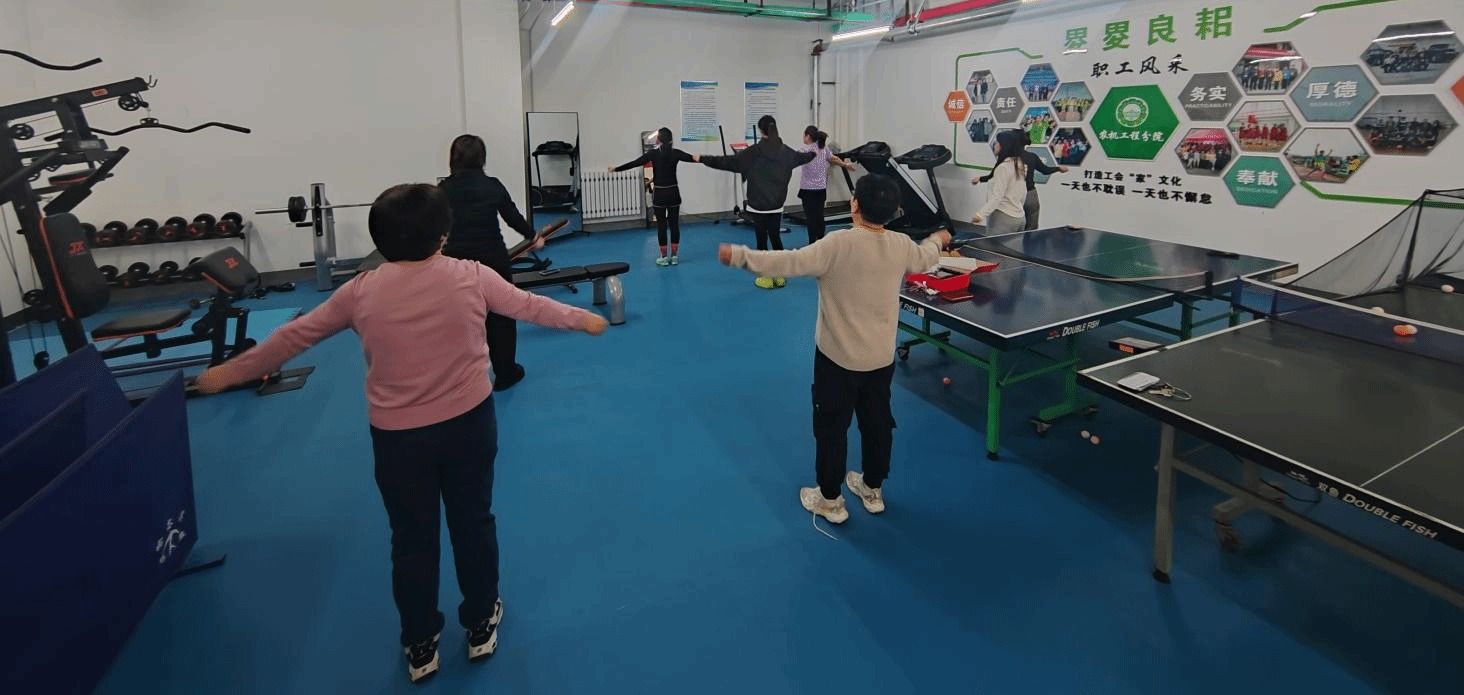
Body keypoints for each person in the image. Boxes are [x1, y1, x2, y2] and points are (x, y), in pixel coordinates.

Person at [195, 184, 608, 684]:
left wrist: (229, 373)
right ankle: (481, 622)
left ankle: (420, 641)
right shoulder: (471, 275)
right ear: (443, 235)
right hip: (468, 426)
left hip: (398, 440)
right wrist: (582, 319)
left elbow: (294, 337)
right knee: (473, 523)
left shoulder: (359, 291)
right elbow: (528, 305)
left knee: (411, 537)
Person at [716, 174, 951, 523]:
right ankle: (872, 489)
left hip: (837, 361)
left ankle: (830, 500)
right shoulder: (901, 244)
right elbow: (925, 257)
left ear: (855, 205)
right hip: (880, 360)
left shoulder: (837, 244)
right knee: (877, 424)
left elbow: (789, 262)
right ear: (893, 211)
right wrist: (937, 238)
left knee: (831, 428)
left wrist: (739, 256)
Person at [438, 134, 539, 391]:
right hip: (493, 259)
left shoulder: (442, 190)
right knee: (502, 314)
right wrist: (533, 236)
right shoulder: (492, 185)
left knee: (460, 316)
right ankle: (506, 372)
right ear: (481, 158)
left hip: (456, 263)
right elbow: (512, 217)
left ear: (453, 159)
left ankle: (462, 377)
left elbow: (433, 226)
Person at [695, 115, 814, 289]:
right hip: (776, 206)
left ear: (761, 131)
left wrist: (702, 158)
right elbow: (804, 157)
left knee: (761, 241)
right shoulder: (787, 152)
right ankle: (780, 276)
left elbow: (726, 162)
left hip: (758, 206)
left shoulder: (752, 153)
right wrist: (814, 152)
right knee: (776, 238)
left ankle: (765, 278)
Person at [611, 127, 693, 267]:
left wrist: (616, 168)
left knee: (661, 225)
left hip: (660, 194)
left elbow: (635, 163)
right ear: (671, 140)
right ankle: (674, 257)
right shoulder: (676, 153)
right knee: (674, 225)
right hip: (673, 193)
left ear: (659, 139)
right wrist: (710, 159)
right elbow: (694, 158)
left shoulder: (653, 154)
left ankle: (663, 257)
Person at [975, 131, 1063, 231]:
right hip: (1030, 197)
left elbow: (996, 192)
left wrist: (980, 214)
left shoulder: (1006, 163)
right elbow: (1045, 170)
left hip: (1010, 204)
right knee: (1030, 230)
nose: (995, 145)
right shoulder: (1028, 158)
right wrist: (1058, 169)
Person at [796, 125, 857, 246]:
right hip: (820, 190)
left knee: (811, 217)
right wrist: (845, 165)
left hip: (808, 190)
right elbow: (833, 158)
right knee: (819, 215)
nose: (803, 137)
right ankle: (821, 241)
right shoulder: (823, 149)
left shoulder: (804, 150)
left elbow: (791, 159)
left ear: (808, 136)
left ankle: (812, 243)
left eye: (804, 135)